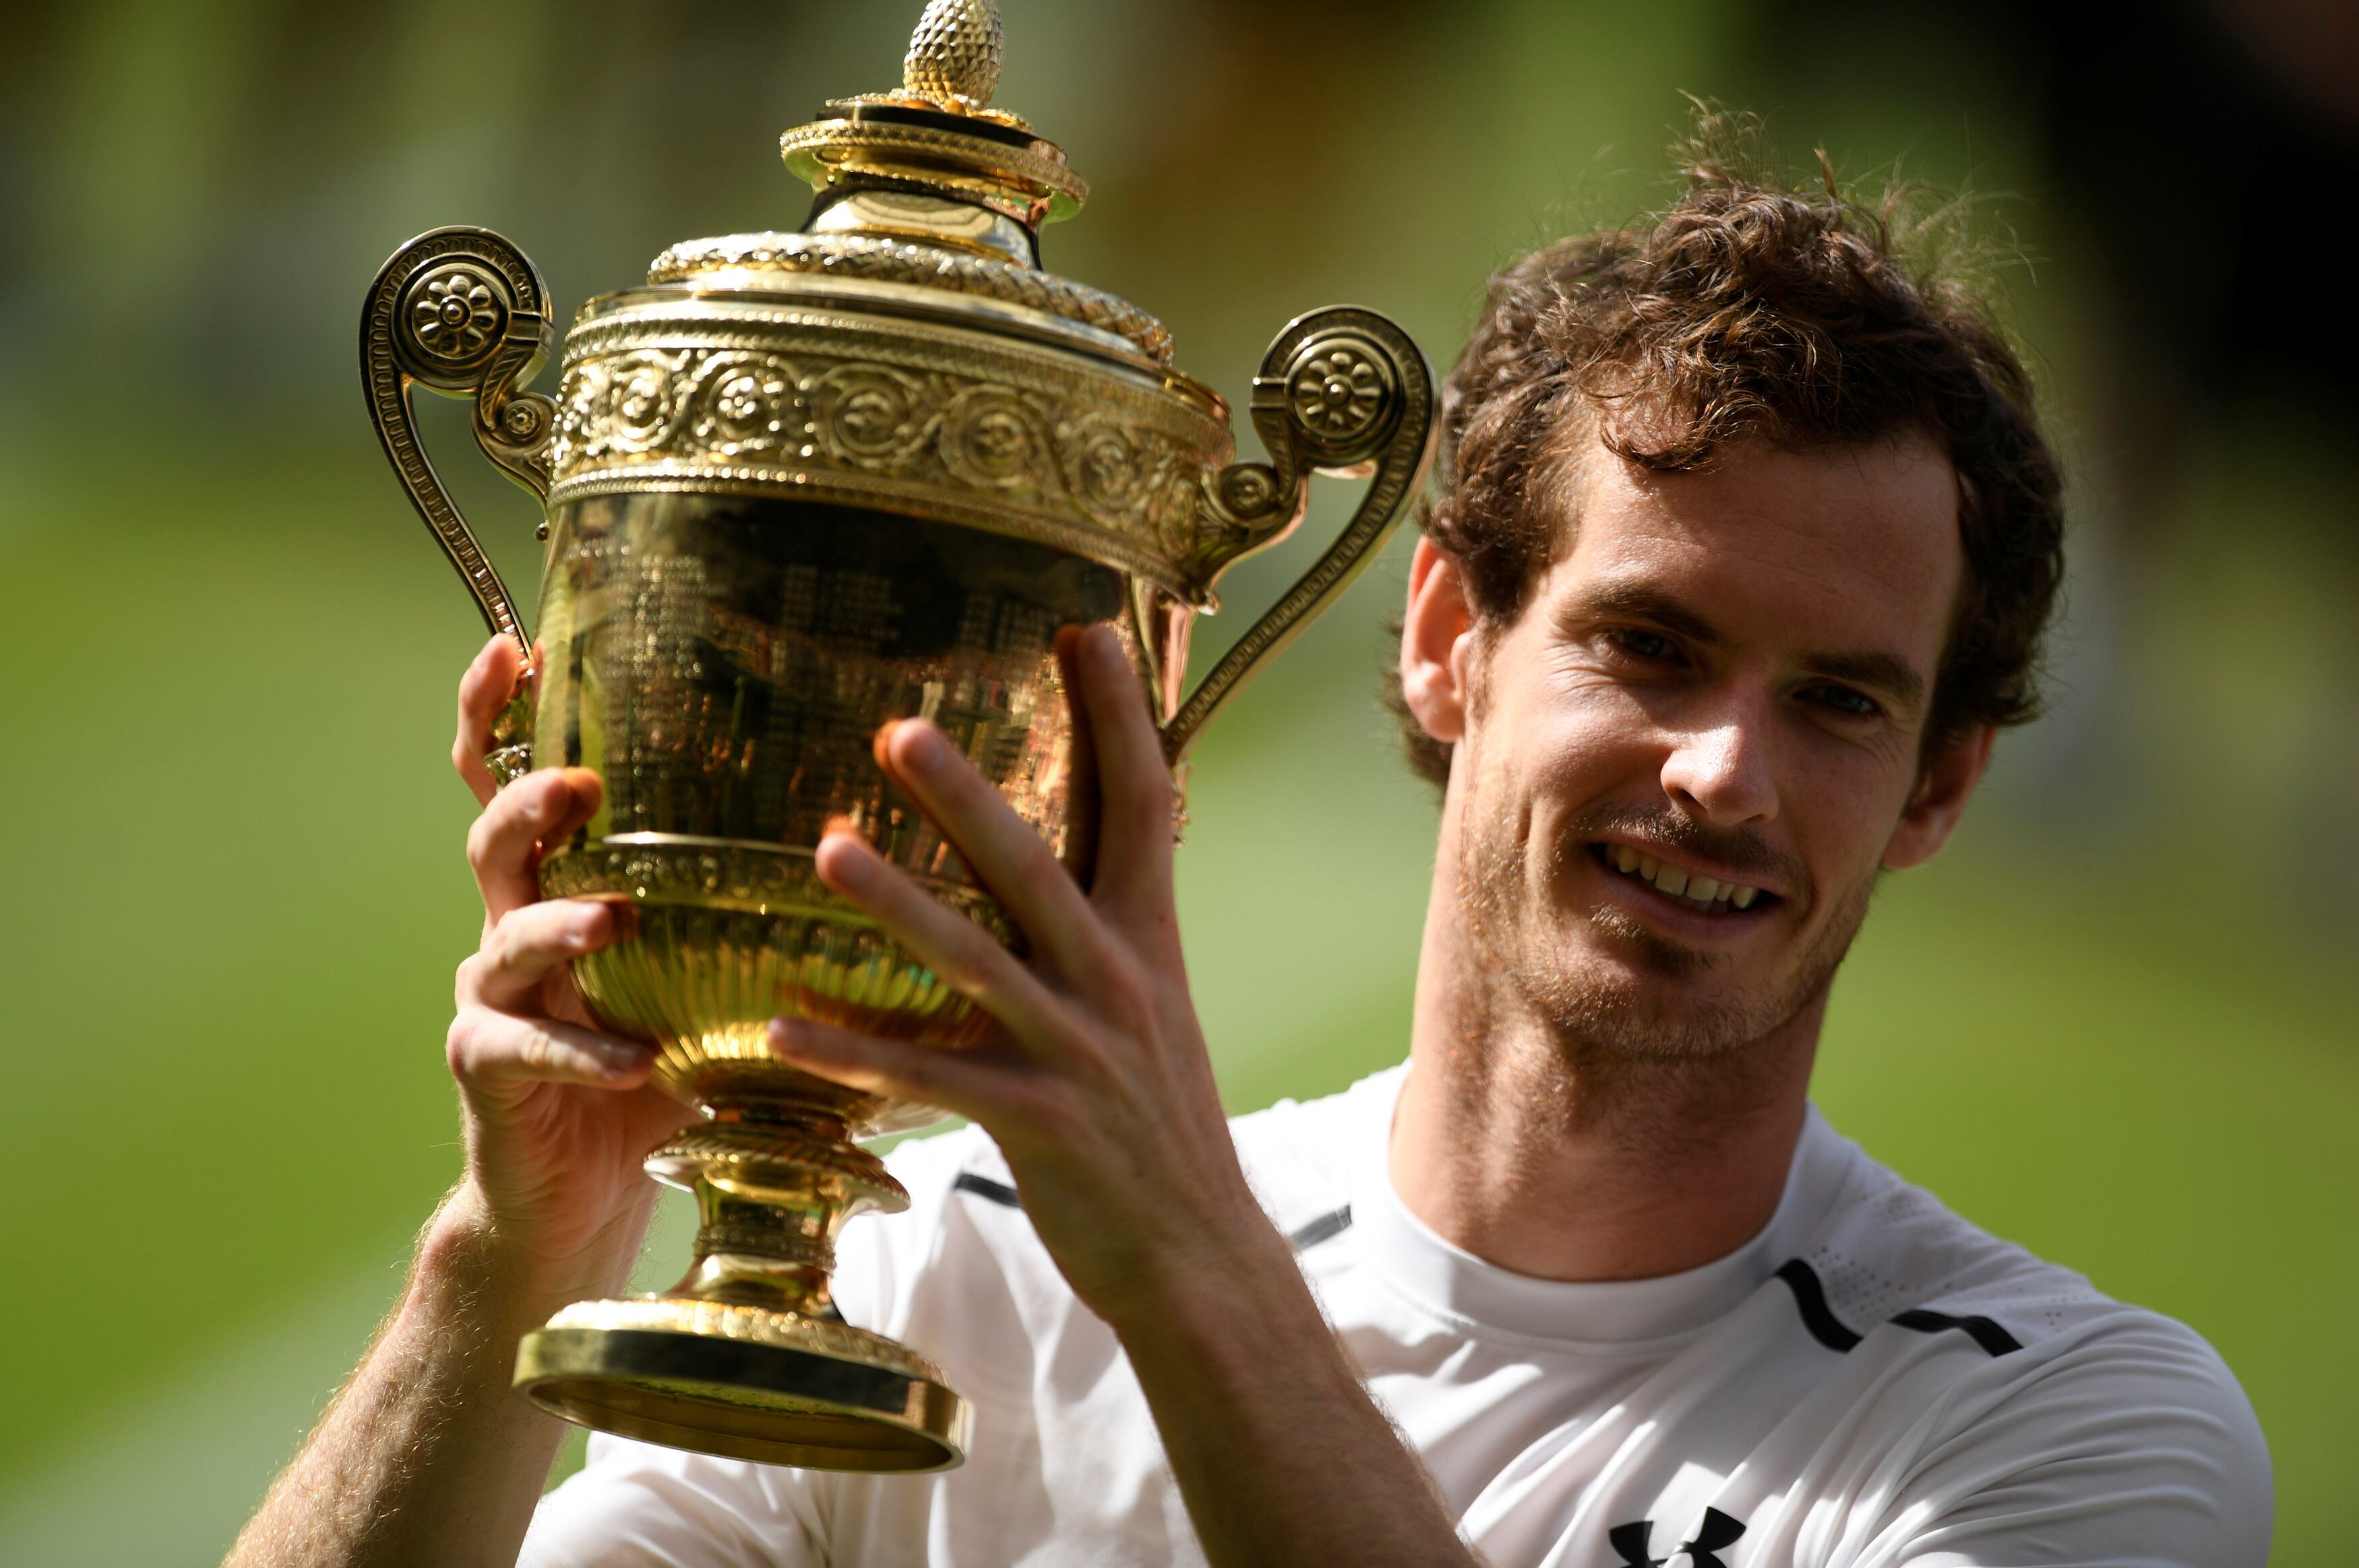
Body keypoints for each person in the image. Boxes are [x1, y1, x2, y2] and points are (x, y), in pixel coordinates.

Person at [229, 132, 2270, 1567]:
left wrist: (1184, 1256)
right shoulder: (943, 1274)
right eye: (1649, 647)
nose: (1724, 775)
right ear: (1451, 640)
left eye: (1839, 701)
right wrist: (511, 1262)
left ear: (1938, 787)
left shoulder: (2059, 1436)